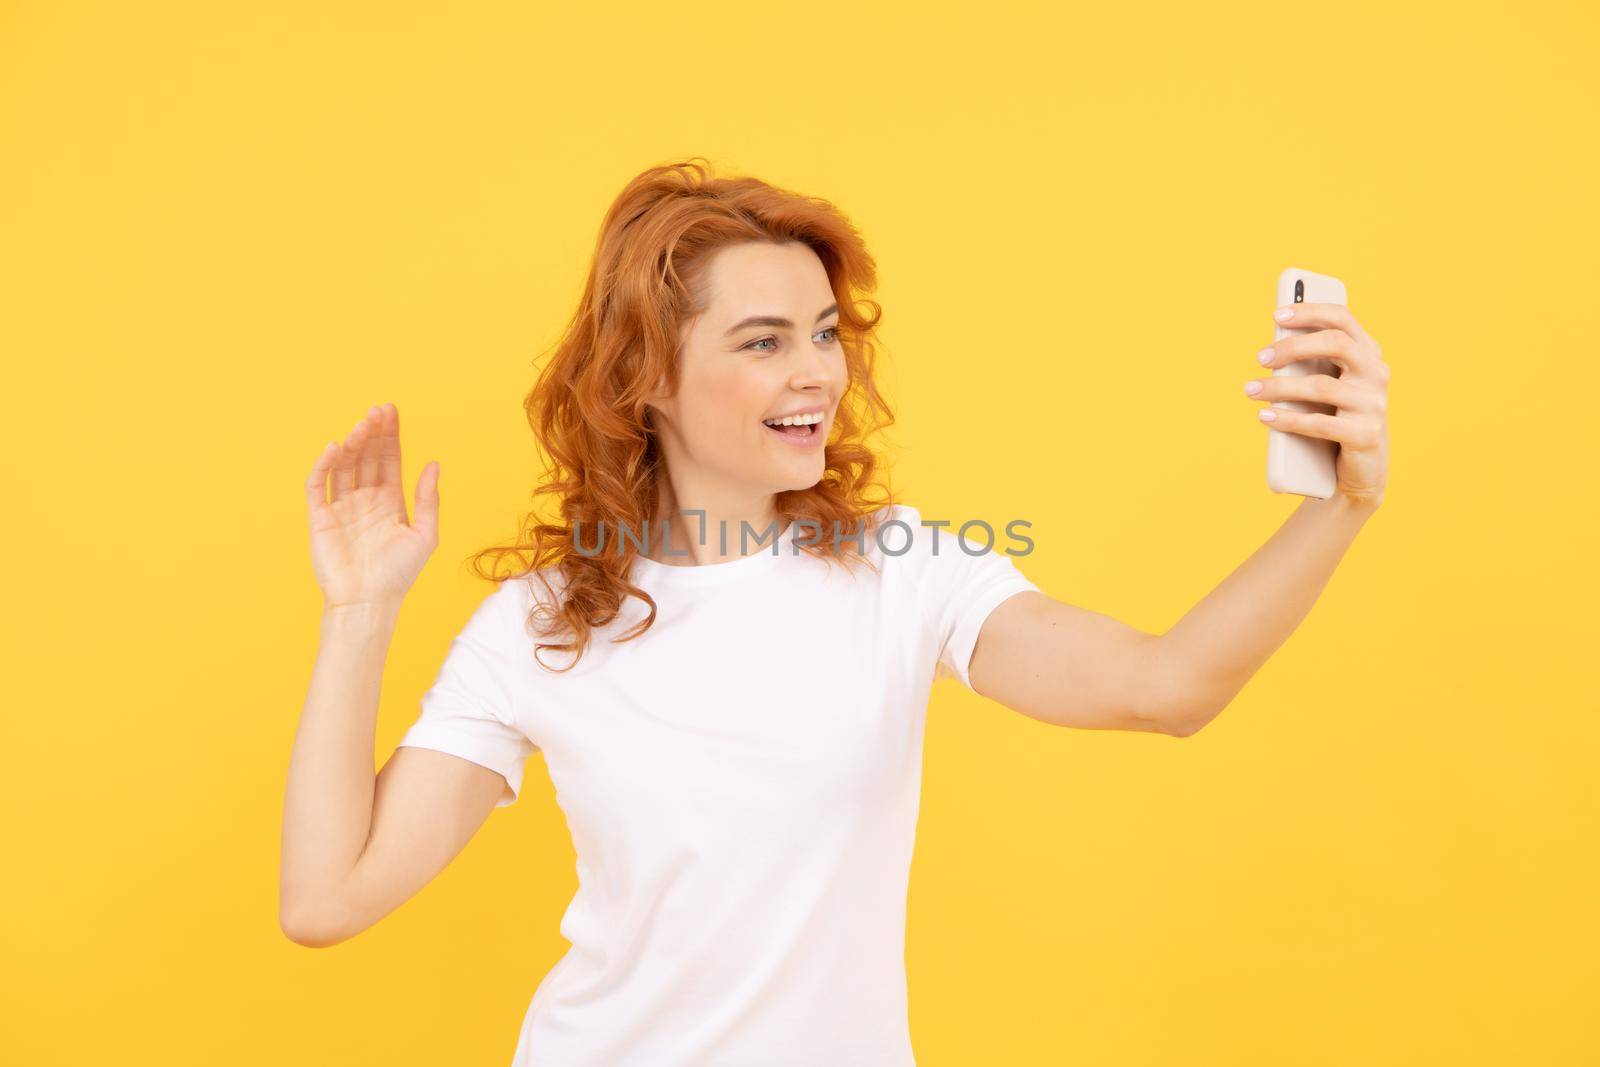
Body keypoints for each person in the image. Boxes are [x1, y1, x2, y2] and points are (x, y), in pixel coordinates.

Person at [279, 159, 1390, 1065]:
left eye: (823, 330)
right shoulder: (543, 624)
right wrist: (361, 611)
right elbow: (327, 897)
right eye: (763, 340)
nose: (815, 371)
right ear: (646, 376)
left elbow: (1165, 688)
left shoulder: (899, 571)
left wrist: (1340, 505)